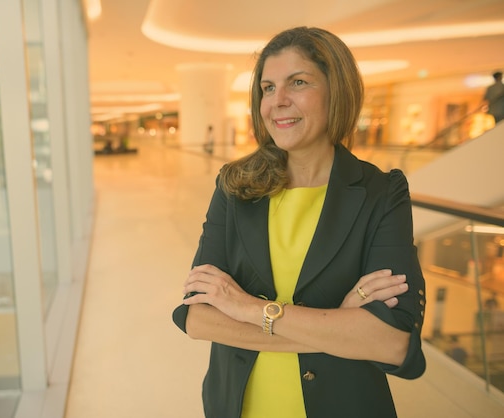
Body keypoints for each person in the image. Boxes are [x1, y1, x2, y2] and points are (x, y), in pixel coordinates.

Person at [172, 26, 426, 418]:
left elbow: (391, 342)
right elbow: (198, 318)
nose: (278, 102)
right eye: (268, 88)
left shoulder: (381, 193)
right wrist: (341, 328)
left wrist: (249, 309)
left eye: (299, 82)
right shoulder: (235, 186)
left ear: (336, 91)